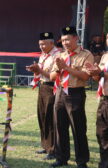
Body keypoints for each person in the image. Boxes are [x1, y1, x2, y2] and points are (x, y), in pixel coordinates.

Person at [49, 26, 94, 168]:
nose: (65, 43)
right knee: (60, 127)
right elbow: (51, 76)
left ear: (76, 38)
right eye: (63, 40)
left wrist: (66, 68)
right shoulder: (60, 55)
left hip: (76, 93)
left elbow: (86, 76)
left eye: (68, 39)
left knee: (78, 128)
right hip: (61, 92)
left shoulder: (86, 55)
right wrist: (58, 69)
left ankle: (81, 161)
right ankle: (61, 158)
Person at [26, 32, 59, 160]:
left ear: (52, 43)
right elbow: (41, 73)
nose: (42, 46)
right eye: (40, 44)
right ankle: (45, 146)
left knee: (51, 118)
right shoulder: (43, 55)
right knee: (42, 116)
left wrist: (39, 70)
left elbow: (52, 75)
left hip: (52, 87)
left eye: (44, 44)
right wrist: (35, 70)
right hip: (43, 86)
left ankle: (53, 149)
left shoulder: (57, 55)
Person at [86, 33, 108, 168]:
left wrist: (99, 73)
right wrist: (94, 72)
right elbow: (98, 78)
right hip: (104, 99)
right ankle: (104, 163)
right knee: (102, 133)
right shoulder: (105, 56)